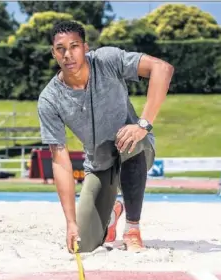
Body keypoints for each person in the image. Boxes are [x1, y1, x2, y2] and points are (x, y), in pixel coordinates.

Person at [37, 20, 174, 254]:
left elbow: (162, 68)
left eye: (74, 46)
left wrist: (143, 124)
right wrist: (70, 222)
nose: (68, 54)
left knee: (128, 137)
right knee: (82, 245)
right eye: (60, 48)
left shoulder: (107, 60)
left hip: (136, 148)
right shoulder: (50, 99)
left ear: (85, 47)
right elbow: (60, 161)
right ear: (54, 53)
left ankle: (132, 229)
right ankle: (115, 209)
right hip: (100, 165)